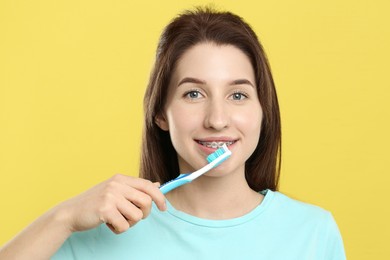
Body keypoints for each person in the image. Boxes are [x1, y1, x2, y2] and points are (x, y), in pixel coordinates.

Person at [0, 7, 346, 260]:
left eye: (238, 95)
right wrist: (63, 217)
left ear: (262, 111)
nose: (217, 119)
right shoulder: (101, 233)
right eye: (193, 94)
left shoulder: (313, 233)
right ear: (160, 114)